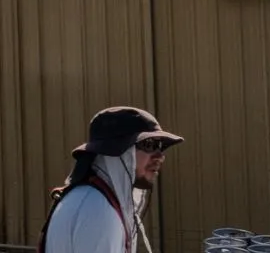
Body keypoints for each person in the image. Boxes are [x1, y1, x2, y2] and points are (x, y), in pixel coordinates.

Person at [39, 106, 183, 253]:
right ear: (116, 151)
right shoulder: (97, 210)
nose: (160, 157)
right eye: (149, 144)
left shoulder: (92, 198)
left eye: (160, 146)